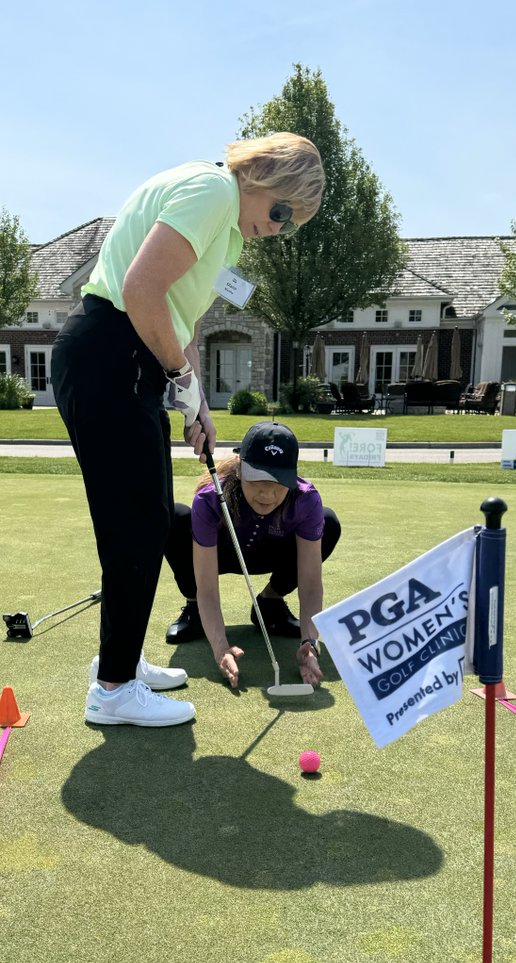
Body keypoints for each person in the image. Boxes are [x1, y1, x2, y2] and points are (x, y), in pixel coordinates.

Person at [51, 134, 325, 726]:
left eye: (291, 224)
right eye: (280, 211)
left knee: (145, 521)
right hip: (110, 352)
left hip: (134, 359)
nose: (278, 228)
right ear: (259, 175)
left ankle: (118, 660)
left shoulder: (228, 229)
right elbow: (140, 291)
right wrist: (178, 374)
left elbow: (184, 321)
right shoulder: (212, 191)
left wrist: (195, 400)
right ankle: (114, 688)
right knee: (136, 525)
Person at [165, 421, 341, 690]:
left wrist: (310, 642)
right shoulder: (210, 498)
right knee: (175, 518)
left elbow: (310, 583)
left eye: (279, 482)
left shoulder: (306, 499)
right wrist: (220, 647)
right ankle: (194, 610)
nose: (267, 494)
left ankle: (270, 603)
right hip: (219, 555)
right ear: (240, 469)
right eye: (257, 479)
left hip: (269, 554)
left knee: (328, 522)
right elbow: (208, 589)